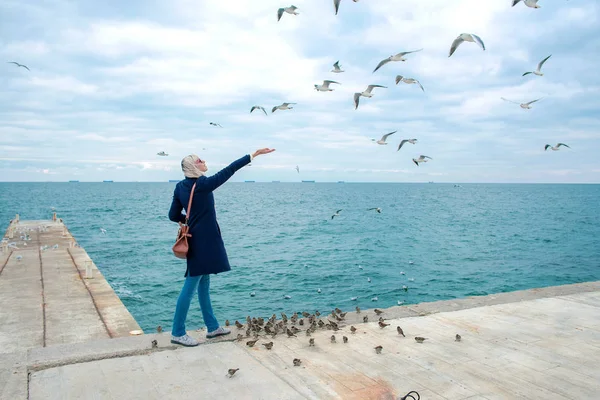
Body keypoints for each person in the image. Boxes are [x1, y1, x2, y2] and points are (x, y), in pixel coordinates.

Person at [168, 148, 275, 346]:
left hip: (196, 239)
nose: (203, 161)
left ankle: (212, 327)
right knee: (190, 285)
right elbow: (230, 170)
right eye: (199, 160)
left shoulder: (180, 186)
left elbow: (173, 215)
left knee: (203, 284)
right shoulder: (202, 184)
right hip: (203, 242)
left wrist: (190, 220)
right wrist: (253, 155)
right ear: (193, 166)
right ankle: (177, 332)